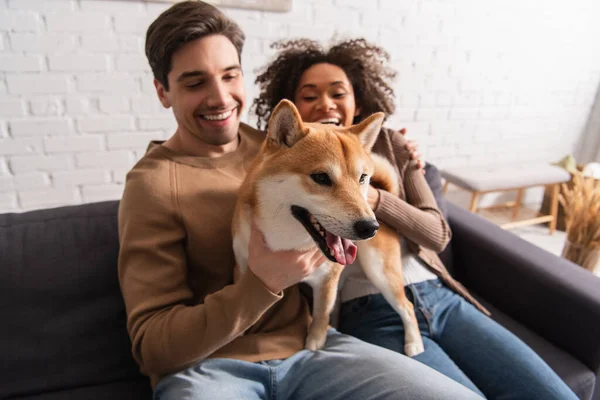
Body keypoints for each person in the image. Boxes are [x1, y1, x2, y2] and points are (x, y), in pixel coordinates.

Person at [117, 1, 483, 399]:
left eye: (230, 75)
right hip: (211, 368)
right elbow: (151, 348)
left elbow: (349, 144)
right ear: (162, 92)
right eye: (194, 82)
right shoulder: (150, 185)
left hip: (314, 350)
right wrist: (263, 283)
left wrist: (402, 152)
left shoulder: (286, 144)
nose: (220, 98)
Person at [252, 38, 579, 400]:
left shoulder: (393, 145)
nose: (325, 103)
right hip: (366, 311)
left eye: (337, 93)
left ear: (356, 102)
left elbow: (437, 234)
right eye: (309, 95)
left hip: (439, 296)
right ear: (292, 109)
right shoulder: (279, 165)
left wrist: (372, 195)